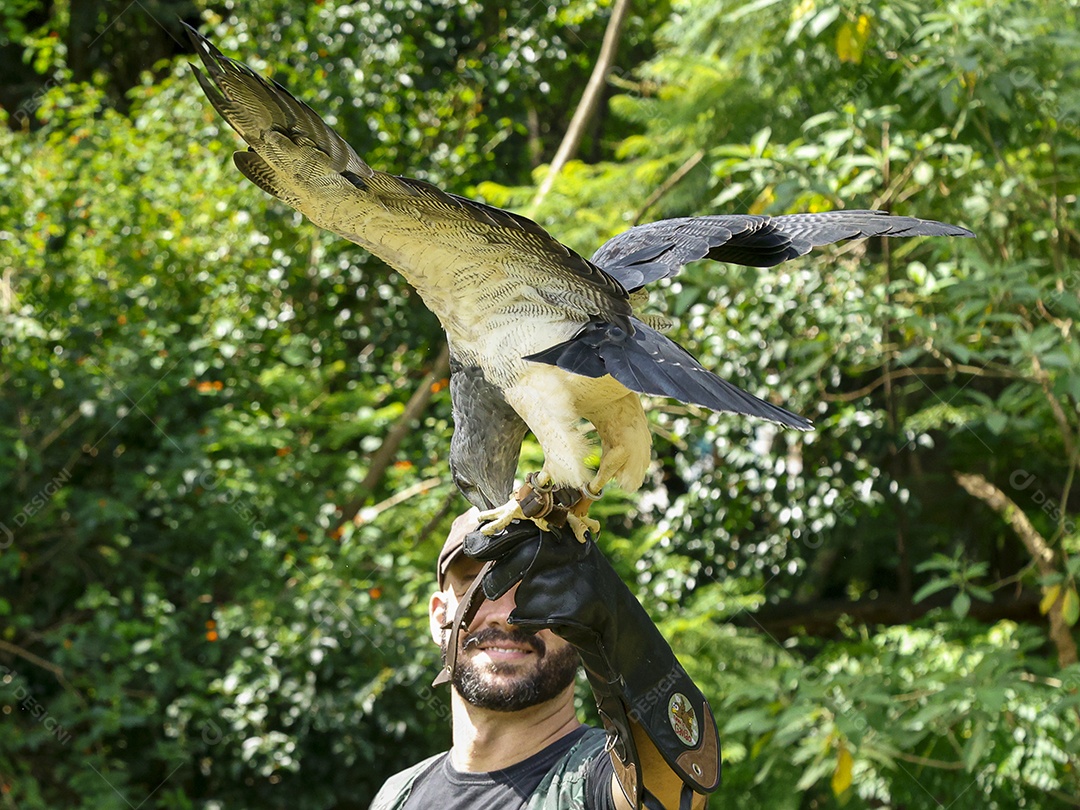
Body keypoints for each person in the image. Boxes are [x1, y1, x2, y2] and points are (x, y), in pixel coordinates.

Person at [370, 508, 721, 809]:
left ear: (581, 617)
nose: (507, 615)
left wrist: (620, 626)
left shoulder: (596, 781)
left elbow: (669, 795)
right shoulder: (396, 796)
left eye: (542, 591)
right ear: (437, 617)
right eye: (477, 586)